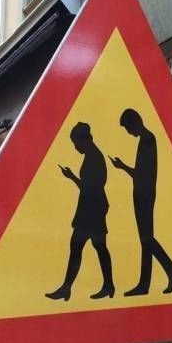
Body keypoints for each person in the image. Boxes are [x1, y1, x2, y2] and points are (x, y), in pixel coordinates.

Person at [110, 109, 172, 295]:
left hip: (145, 195)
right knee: (145, 239)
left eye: (127, 128)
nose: (128, 132)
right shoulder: (145, 140)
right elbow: (140, 173)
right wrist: (122, 166)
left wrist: (122, 167)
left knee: (147, 238)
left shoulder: (148, 140)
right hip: (142, 193)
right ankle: (144, 284)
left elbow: (142, 174)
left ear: (134, 123)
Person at [46, 122, 114, 301]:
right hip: (92, 208)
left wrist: (72, 177)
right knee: (94, 247)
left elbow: (91, 187)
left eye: (76, 143)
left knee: (85, 247)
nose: (75, 147)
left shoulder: (94, 157)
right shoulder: (92, 155)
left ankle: (71, 288)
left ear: (84, 140)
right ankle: (104, 286)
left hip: (92, 209)